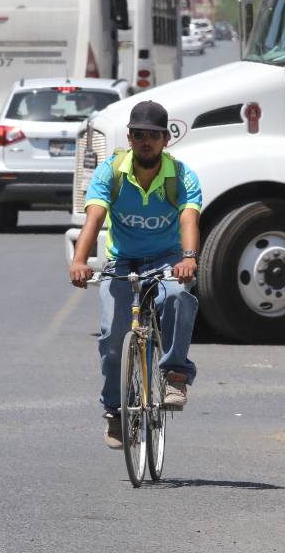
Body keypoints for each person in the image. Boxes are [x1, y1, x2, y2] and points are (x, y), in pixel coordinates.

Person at [69, 100, 202, 449]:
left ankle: (175, 374)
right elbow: (94, 218)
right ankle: (115, 411)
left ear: (165, 140)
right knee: (112, 336)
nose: (146, 141)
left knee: (179, 295)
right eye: (139, 134)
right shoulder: (110, 172)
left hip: (166, 258)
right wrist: (80, 260)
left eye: (154, 135)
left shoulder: (181, 176)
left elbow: (189, 218)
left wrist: (189, 258)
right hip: (122, 261)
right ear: (129, 138)